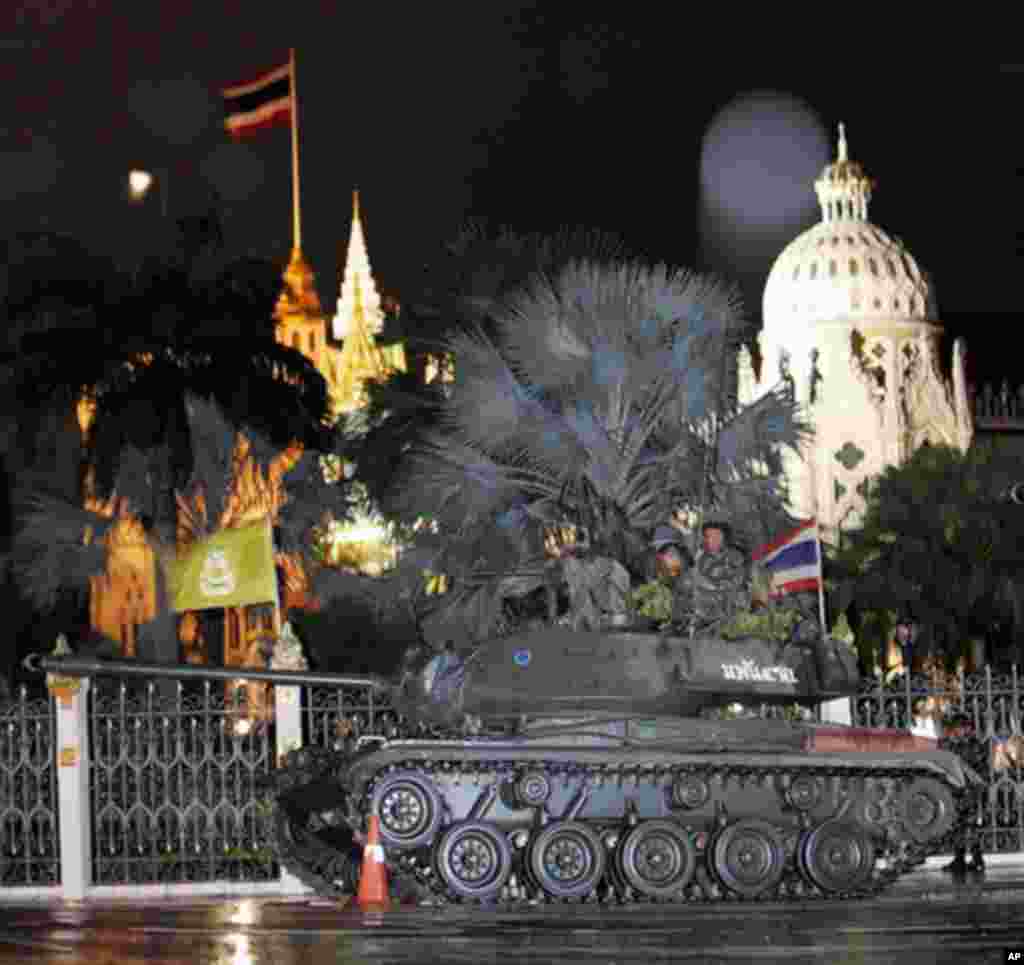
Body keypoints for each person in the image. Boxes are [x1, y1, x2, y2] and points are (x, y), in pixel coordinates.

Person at [691, 515, 749, 631]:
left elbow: (739, 580)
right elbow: (699, 580)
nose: (712, 539)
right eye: (709, 536)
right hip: (705, 615)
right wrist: (718, 586)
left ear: (725, 538)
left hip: (731, 616)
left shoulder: (735, 556)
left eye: (717, 536)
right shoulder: (700, 557)